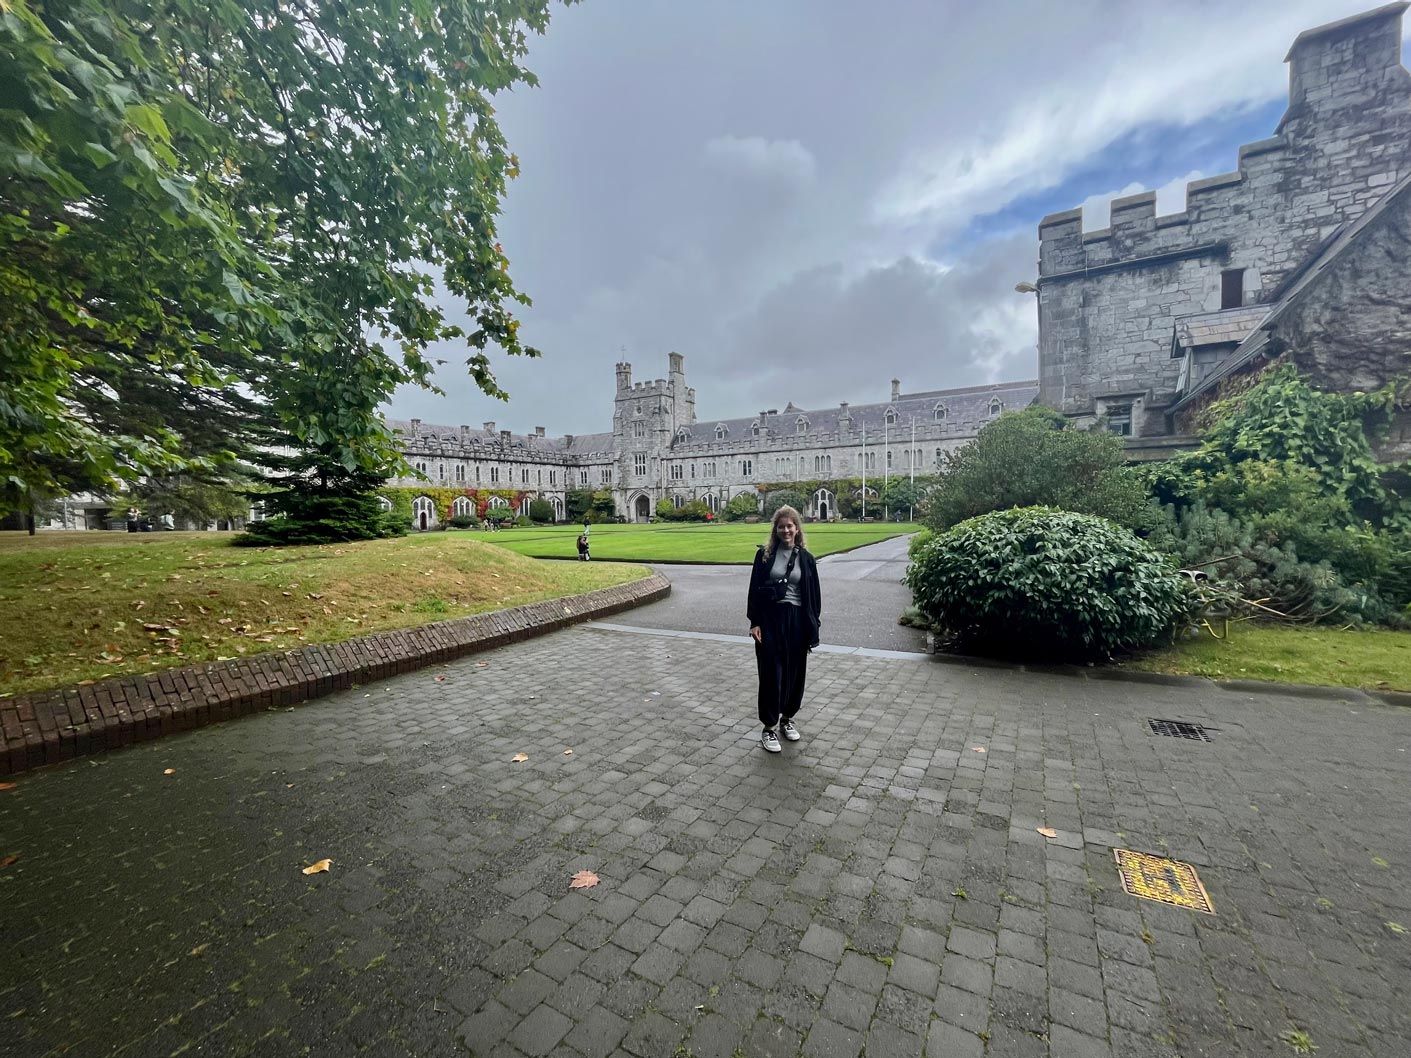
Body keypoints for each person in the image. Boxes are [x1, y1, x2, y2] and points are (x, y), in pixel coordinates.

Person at [747, 505, 821, 753]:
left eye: (790, 526)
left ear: (797, 529)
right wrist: (754, 622)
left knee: (794, 673)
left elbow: (814, 597)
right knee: (771, 674)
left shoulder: (807, 559)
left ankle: (787, 718)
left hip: (797, 620)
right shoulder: (765, 556)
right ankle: (769, 727)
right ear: (775, 530)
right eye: (781, 526)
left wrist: (812, 626)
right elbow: (754, 591)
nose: (786, 530)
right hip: (770, 619)